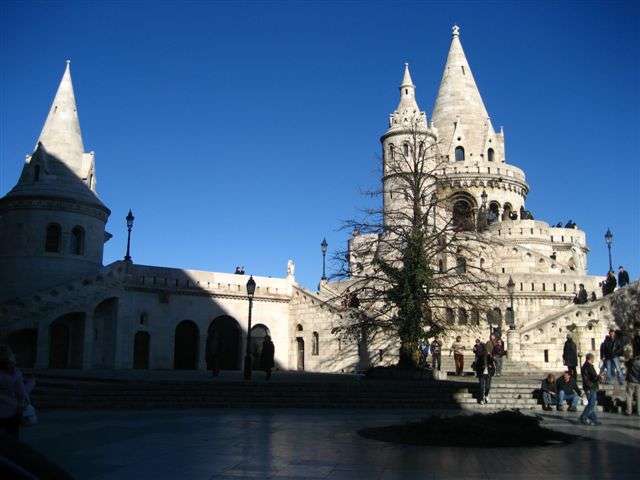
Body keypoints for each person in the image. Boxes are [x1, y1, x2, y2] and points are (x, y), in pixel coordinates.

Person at [0, 345, 34, 440]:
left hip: (9, 410)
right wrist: (31, 384)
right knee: (11, 442)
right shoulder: (14, 373)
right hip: (10, 411)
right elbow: (22, 394)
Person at [579, 353, 601, 426]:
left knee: (591, 404)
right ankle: (583, 417)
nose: (593, 360)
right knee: (591, 404)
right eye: (593, 358)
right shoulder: (589, 366)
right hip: (591, 387)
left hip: (589, 387)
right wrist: (599, 377)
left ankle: (594, 419)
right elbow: (593, 377)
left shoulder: (585, 366)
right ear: (590, 358)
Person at [624, 347, 640, 416]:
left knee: (629, 396)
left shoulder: (630, 362)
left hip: (630, 381)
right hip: (638, 382)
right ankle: (639, 411)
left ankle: (629, 411)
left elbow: (626, 362)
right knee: (639, 397)